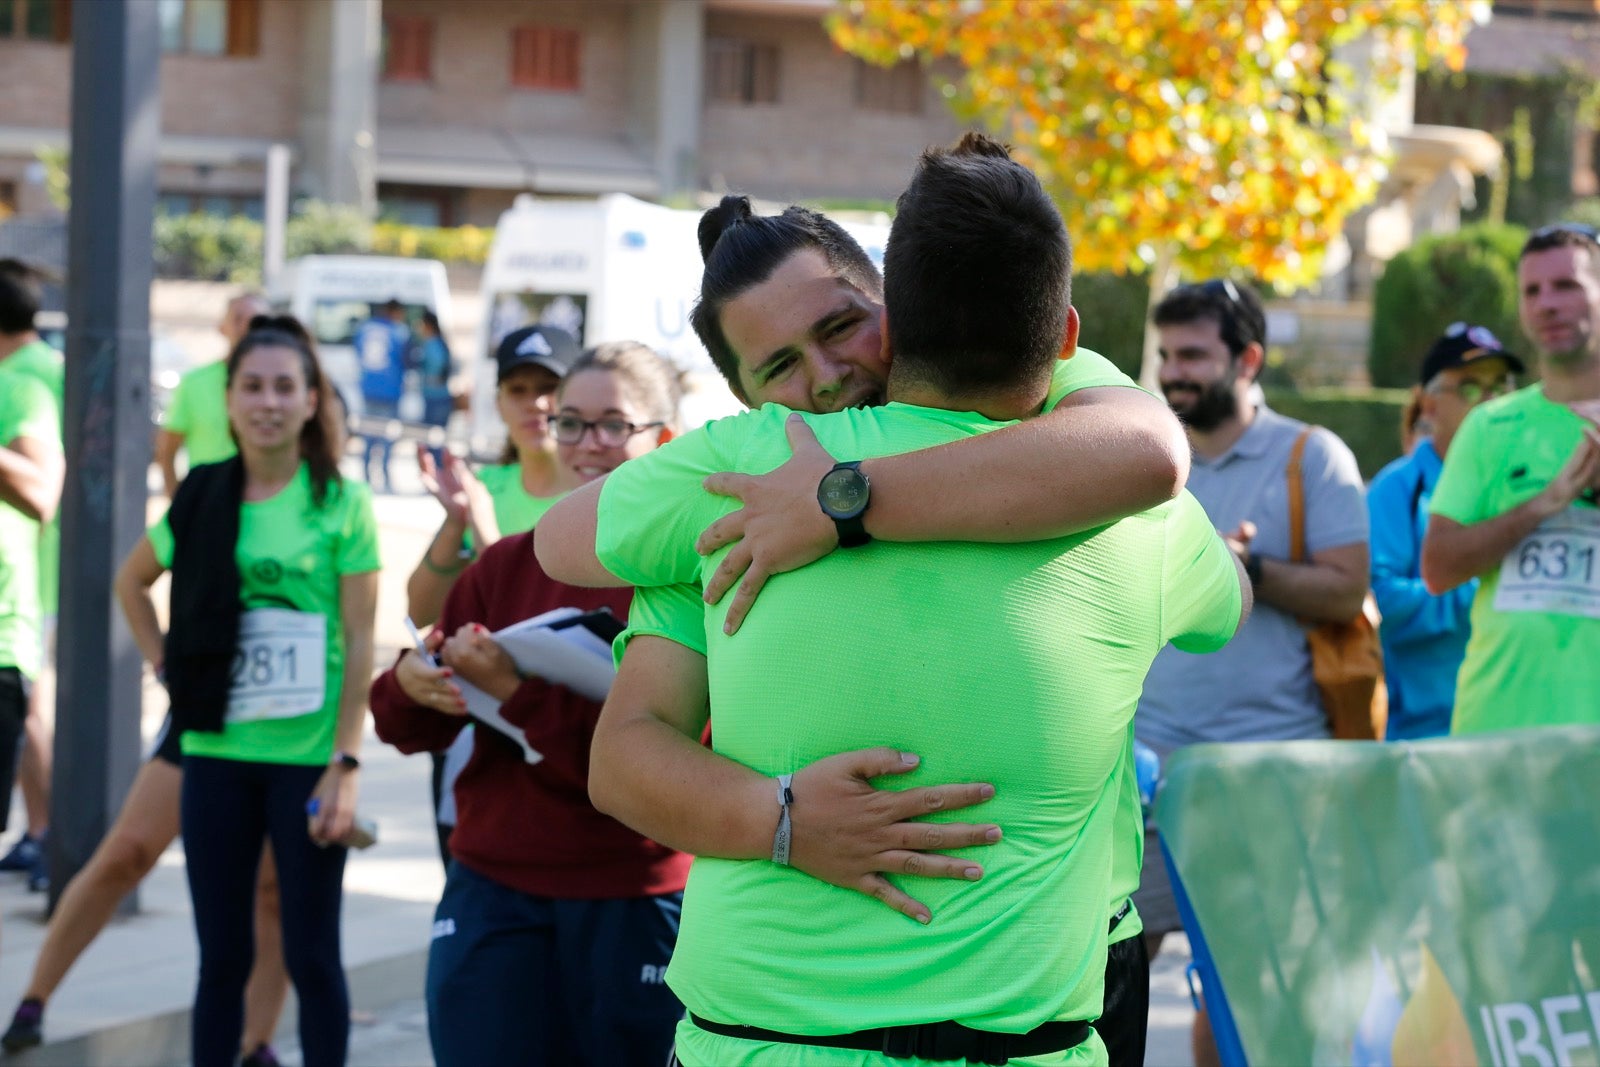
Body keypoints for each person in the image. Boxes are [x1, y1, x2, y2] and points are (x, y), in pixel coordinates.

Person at [546, 133, 1245, 1066]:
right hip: (775, 1032)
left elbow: (1148, 451)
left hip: (1050, 999)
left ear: (894, 304)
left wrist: (844, 501)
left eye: (840, 327)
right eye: (779, 368)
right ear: (744, 396)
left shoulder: (1078, 445)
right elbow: (618, 735)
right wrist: (784, 819)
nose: (827, 377)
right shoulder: (730, 495)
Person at [371, 342, 689, 1066]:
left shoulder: (690, 573)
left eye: (614, 424)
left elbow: (678, 761)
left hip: (633, 899)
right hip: (495, 889)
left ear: (663, 438)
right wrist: (412, 685)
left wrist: (518, 696)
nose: (587, 444)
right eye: (571, 423)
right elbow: (399, 721)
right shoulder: (508, 563)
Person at [114, 315, 379, 1067]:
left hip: (306, 761)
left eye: (284, 387)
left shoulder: (340, 503)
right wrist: (164, 663)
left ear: (309, 400)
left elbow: (362, 640)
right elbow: (131, 582)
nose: (268, 401)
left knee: (312, 955)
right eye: (252, 387)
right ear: (227, 401)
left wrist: (346, 761)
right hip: (216, 750)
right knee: (220, 959)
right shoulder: (202, 495)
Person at [1134, 276, 1369, 1066]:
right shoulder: (1142, 463)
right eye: (1167, 354)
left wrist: (1244, 567)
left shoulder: (1313, 457)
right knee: (1114, 970)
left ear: (1249, 358)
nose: (1174, 372)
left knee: (1246, 988)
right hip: (1147, 773)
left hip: (1274, 777)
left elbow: (1346, 589)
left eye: (1193, 354)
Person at [1421, 223, 1600, 734]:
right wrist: (1542, 506)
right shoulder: (1490, 425)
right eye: (1532, 291)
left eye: (1566, 286)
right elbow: (1438, 569)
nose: (1547, 304)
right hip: (1496, 734)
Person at [1368, 324, 1522, 740]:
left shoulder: (1528, 483)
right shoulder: (1395, 489)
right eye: (1470, 388)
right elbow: (1380, 604)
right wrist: (1489, 587)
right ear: (1430, 405)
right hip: (1424, 738)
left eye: (1499, 387)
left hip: (1517, 728)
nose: (1490, 403)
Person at [405, 324, 582, 629]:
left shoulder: (599, 493)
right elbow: (419, 614)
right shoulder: (483, 488)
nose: (536, 403)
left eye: (549, 387)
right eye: (518, 390)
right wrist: (454, 522)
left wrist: (486, 534)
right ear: (498, 404)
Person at [0, 258, 63, 894]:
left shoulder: (20, 381)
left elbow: (42, 487)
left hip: (35, 571)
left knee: (32, 710)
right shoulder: (48, 367)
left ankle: (47, 834)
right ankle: (39, 834)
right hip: (41, 571)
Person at [156, 291, 271, 498]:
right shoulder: (194, 383)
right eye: (238, 319)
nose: (246, 327)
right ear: (222, 328)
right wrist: (179, 506)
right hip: (208, 503)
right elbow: (167, 451)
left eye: (254, 321)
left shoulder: (279, 391)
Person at [356, 298, 410, 493]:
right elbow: (406, 359)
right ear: (395, 312)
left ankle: (366, 477)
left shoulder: (365, 328)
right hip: (390, 391)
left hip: (368, 389)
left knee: (369, 434)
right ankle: (385, 477)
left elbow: (358, 353)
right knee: (387, 435)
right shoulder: (399, 332)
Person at [415, 310, 455, 469]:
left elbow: (437, 370)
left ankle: (437, 475)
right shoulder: (439, 343)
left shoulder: (431, 345)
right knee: (437, 439)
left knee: (433, 440)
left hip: (435, 398)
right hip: (441, 397)